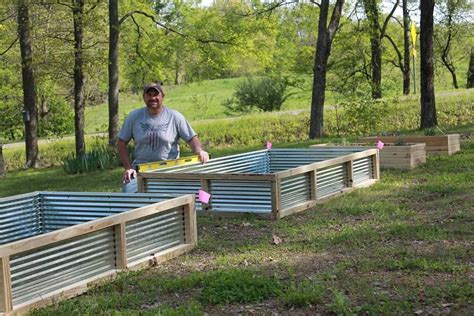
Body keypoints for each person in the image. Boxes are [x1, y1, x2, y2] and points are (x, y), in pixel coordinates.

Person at [117, 82, 209, 193]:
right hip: (140, 170)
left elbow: (191, 138)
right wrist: (128, 168)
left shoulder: (175, 117)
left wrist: (199, 151)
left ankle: (204, 208)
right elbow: (121, 143)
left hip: (170, 169)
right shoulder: (134, 117)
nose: (153, 98)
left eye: (156, 94)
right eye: (149, 95)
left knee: (198, 192)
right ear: (144, 98)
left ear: (162, 97)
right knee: (129, 194)